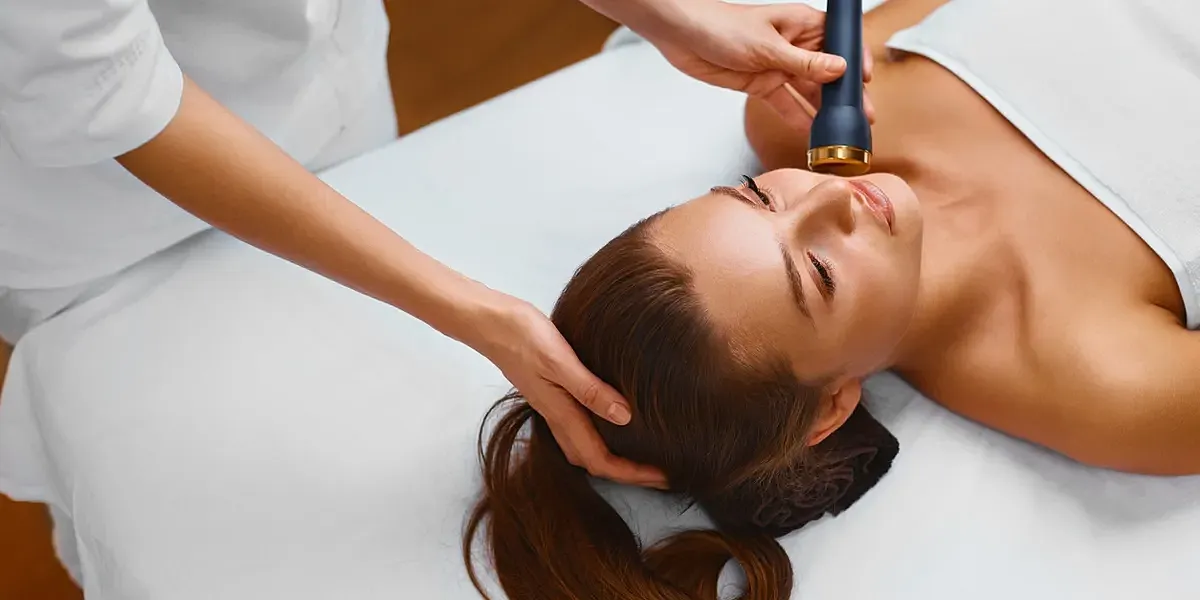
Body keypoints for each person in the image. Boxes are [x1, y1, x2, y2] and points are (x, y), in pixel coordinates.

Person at [462, 0, 1200, 598]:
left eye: (755, 197)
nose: (830, 197)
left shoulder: (790, 113)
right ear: (830, 408)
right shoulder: (1116, 388)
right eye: (818, 273)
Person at [0, 0, 872, 488]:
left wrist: (660, 11)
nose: (836, 196)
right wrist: (468, 311)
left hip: (316, 93)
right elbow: (104, 91)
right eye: (755, 194)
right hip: (92, 208)